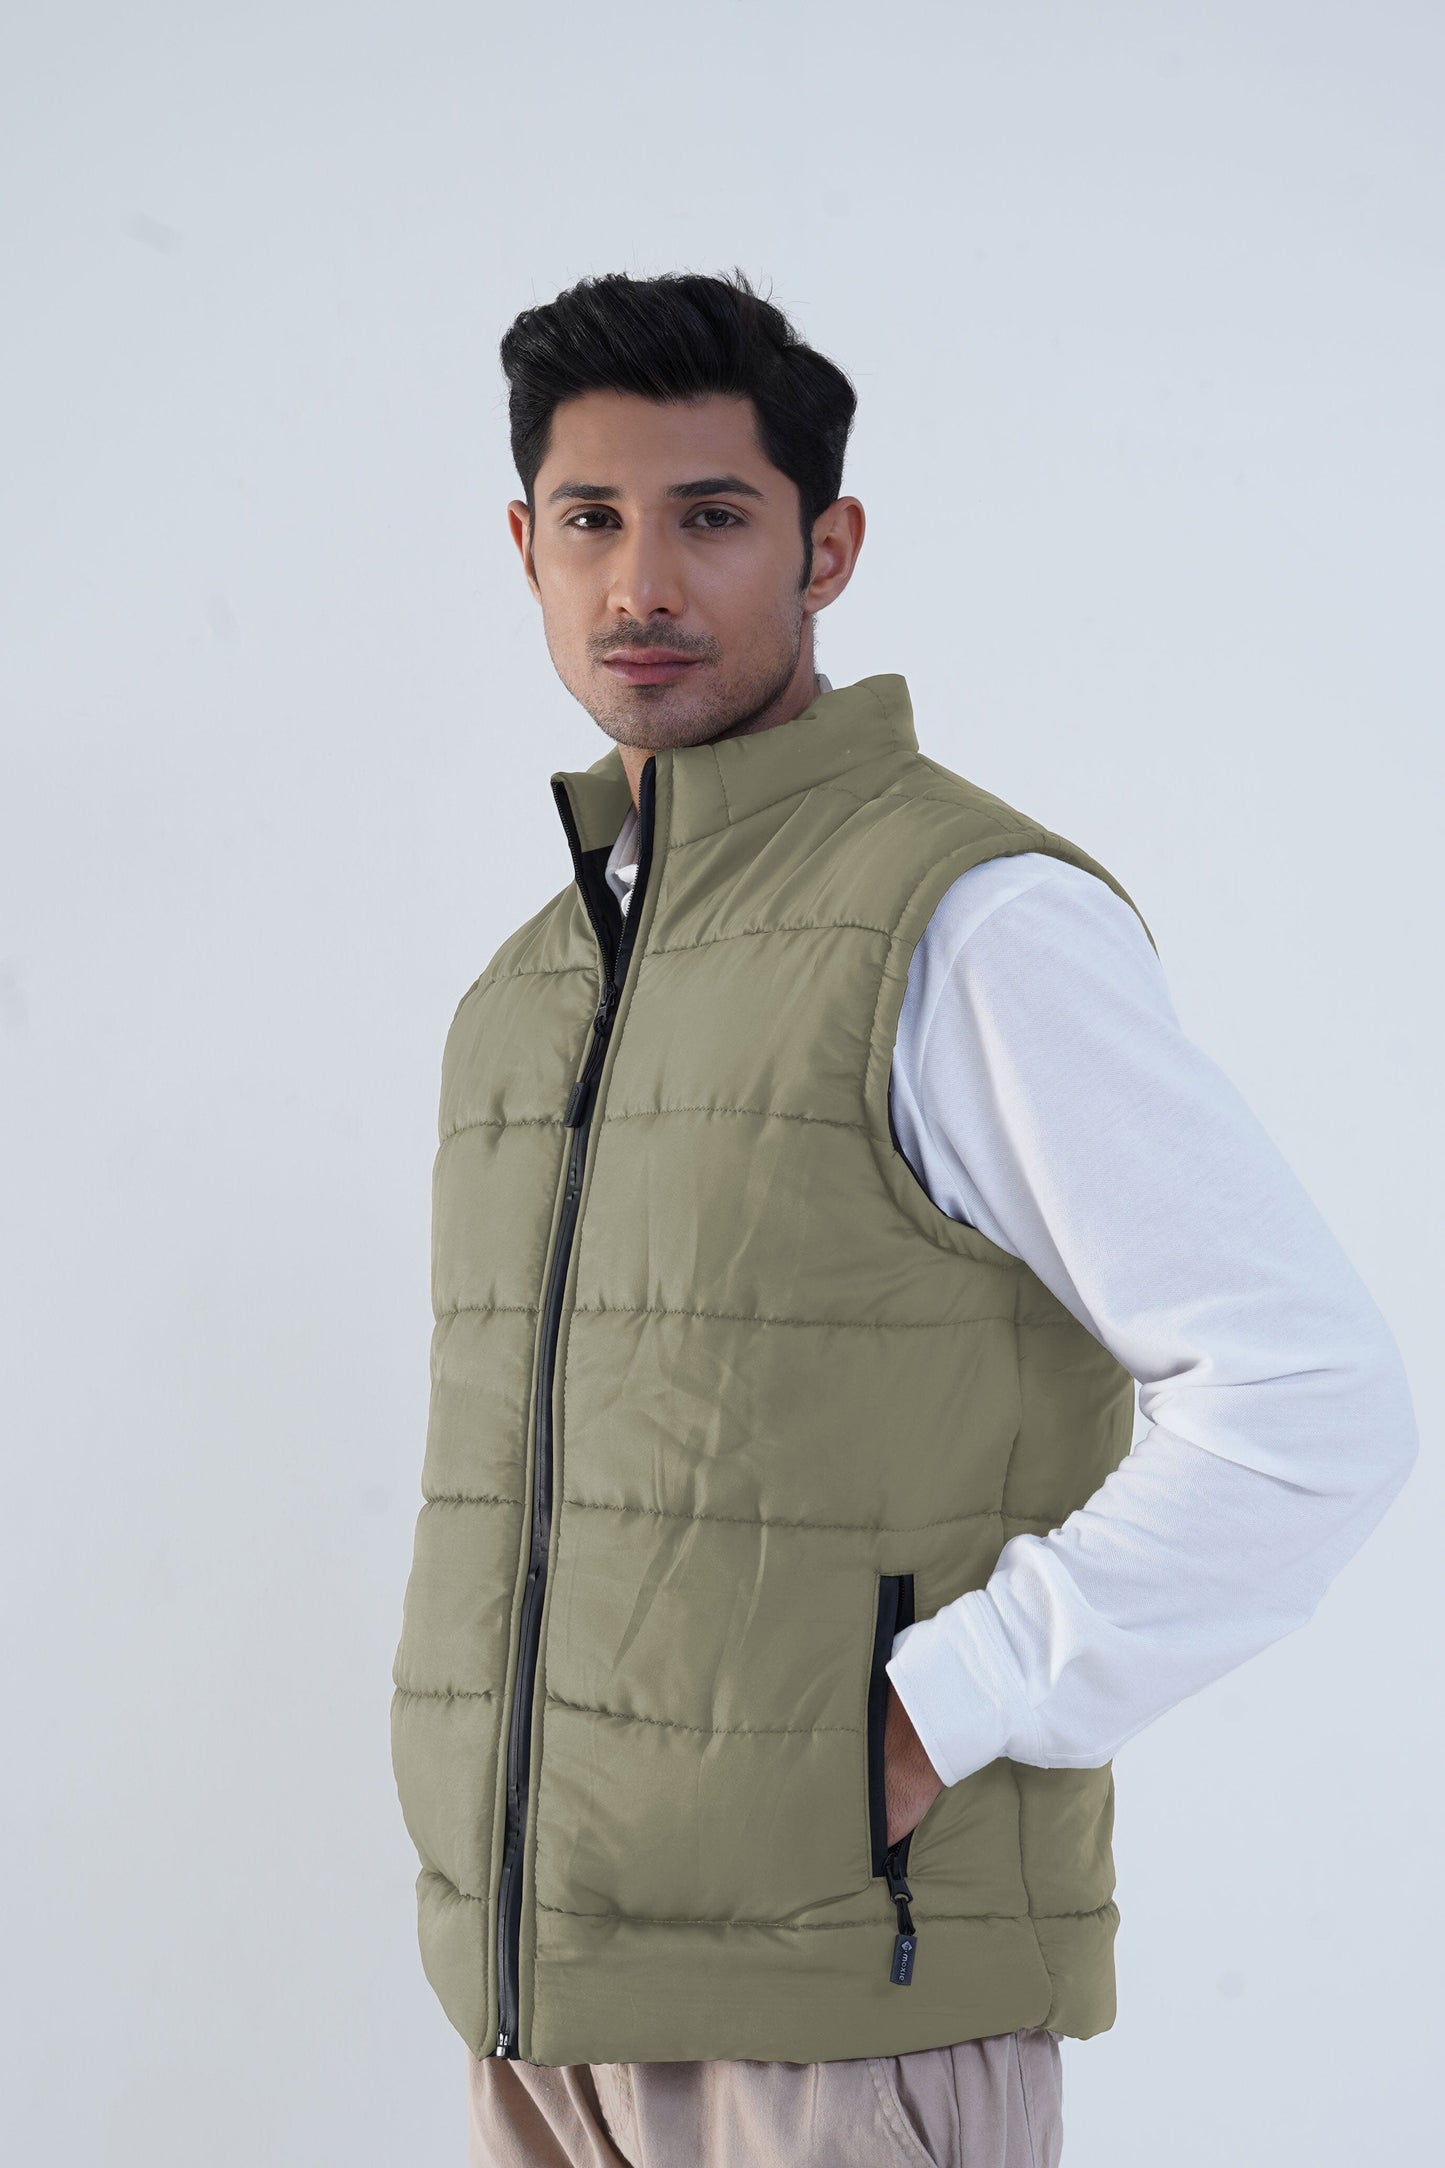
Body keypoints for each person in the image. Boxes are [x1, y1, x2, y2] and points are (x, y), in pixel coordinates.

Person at [389, 270, 1418, 2168]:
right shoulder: (528, 989)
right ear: (522, 546)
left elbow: (1306, 1397)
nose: (640, 584)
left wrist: (944, 1706)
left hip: (839, 2026)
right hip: (541, 2013)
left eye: (711, 516)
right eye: (592, 520)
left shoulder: (968, 922)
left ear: (827, 548)